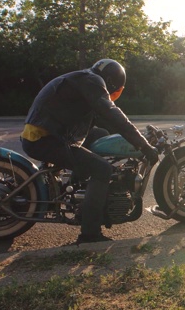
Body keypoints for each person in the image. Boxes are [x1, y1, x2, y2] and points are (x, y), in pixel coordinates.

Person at [20, 59, 159, 244]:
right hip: (44, 139)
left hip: (51, 133)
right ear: (111, 82)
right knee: (102, 169)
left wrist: (134, 136)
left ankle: (83, 183)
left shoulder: (85, 79)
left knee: (101, 135)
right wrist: (143, 145)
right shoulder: (93, 82)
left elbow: (105, 121)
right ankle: (90, 233)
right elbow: (112, 113)